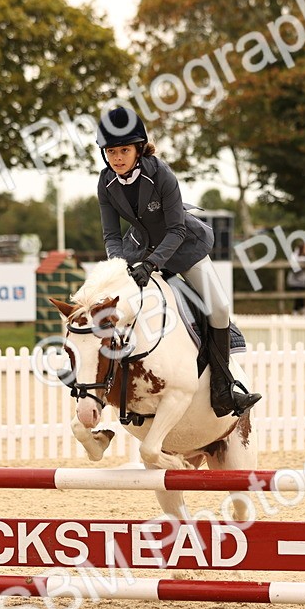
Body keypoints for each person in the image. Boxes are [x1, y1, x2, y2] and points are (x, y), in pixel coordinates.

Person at [95, 106, 260, 418]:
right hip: (139, 250)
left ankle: (224, 387)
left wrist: (153, 264)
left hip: (183, 248)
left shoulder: (161, 175)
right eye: (111, 152)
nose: (117, 158)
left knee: (220, 306)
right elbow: (111, 235)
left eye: (124, 151)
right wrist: (118, 267)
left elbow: (176, 229)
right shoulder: (106, 183)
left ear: (138, 149)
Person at [286, 242, 305, 314]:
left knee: (300, 296)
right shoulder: (295, 255)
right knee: (299, 296)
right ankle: (302, 311)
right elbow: (295, 260)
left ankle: (296, 311)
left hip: (302, 281)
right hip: (294, 281)